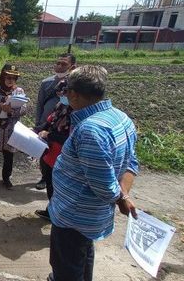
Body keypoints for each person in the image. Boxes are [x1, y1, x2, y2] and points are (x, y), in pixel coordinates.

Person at [48, 65, 138, 281]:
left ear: (74, 95)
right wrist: (124, 194)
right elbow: (131, 162)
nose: (65, 95)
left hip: (74, 213)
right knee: (83, 255)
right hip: (89, 217)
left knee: (67, 269)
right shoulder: (120, 118)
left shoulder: (90, 130)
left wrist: (120, 197)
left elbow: (104, 184)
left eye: (67, 91)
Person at [34, 53, 76, 190]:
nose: (59, 66)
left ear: (72, 67)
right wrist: (39, 124)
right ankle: (44, 177)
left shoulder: (75, 86)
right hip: (47, 124)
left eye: (64, 64)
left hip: (62, 131)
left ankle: (55, 180)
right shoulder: (47, 83)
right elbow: (40, 104)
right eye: (58, 63)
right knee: (44, 152)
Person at [33, 80, 73, 221]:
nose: (60, 96)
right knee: (50, 185)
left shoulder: (76, 114)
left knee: (60, 188)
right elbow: (49, 122)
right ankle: (51, 211)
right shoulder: (60, 106)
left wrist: (49, 135)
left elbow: (68, 137)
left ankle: (59, 216)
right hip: (50, 153)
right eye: (58, 93)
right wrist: (37, 130)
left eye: (63, 93)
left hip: (63, 156)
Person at [0, 64, 27, 189]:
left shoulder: (19, 92)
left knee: (9, 155)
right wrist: (0, 107)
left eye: (13, 78)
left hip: (11, 130)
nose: (10, 80)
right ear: (2, 77)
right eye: (8, 77)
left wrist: (10, 111)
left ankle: (6, 178)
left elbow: (24, 110)